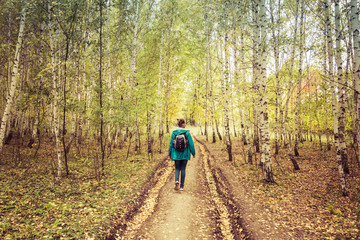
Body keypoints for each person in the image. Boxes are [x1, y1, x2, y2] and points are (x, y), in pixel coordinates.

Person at [168, 119, 196, 191]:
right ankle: (181, 186)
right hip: (185, 153)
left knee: (177, 168)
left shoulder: (174, 133)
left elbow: (171, 144)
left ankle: (176, 180)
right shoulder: (187, 133)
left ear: (178, 125)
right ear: (183, 124)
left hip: (176, 154)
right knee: (183, 168)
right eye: (185, 123)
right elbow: (191, 144)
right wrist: (193, 153)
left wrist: (169, 154)